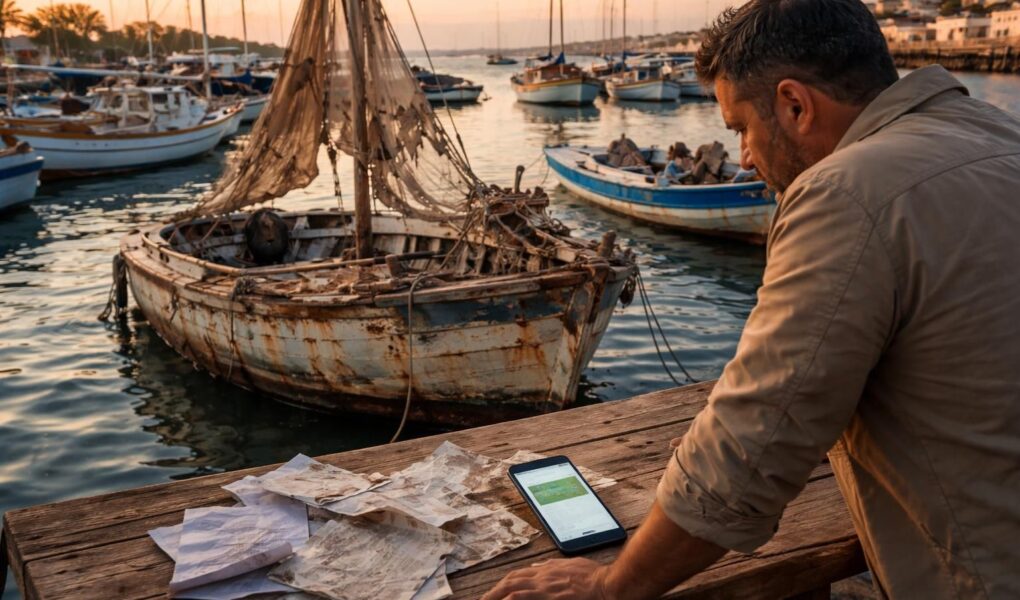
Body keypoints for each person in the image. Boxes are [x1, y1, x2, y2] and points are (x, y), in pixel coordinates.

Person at [483, 0, 1020, 598]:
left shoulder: (843, 193)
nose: (741, 156)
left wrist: (611, 585)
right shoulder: (1001, 133)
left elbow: (751, 445)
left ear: (794, 105)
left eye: (740, 127)